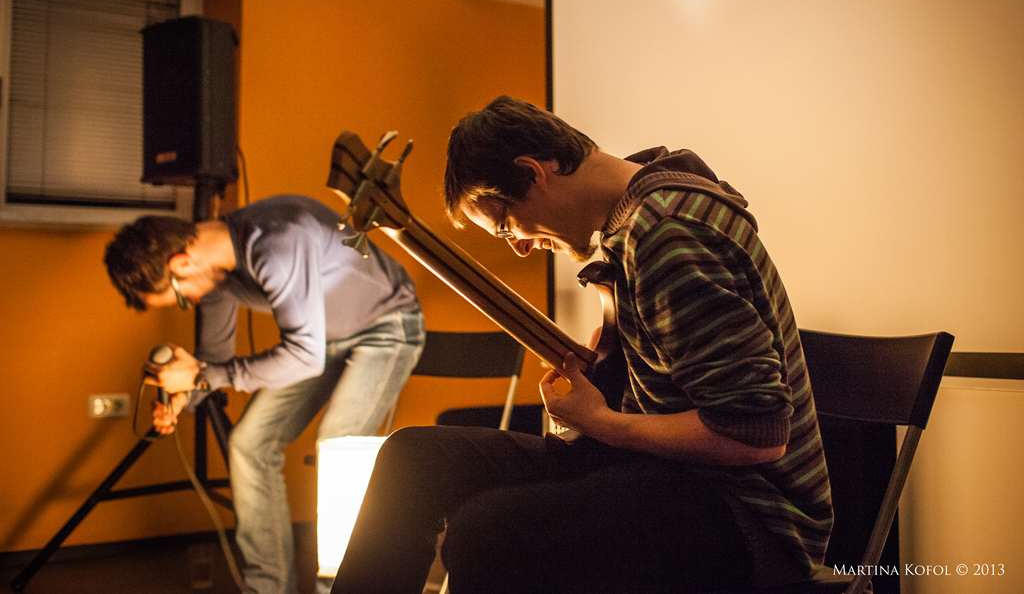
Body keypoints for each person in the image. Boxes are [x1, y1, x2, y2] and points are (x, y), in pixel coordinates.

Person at [330, 97, 833, 594]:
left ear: (532, 172)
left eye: (506, 227)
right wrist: (609, 375)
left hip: (749, 517)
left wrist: (602, 422)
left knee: (489, 533)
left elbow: (756, 433)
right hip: (664, 473)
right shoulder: (643, 200)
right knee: (414, 460)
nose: (520, 247)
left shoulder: (666, 235)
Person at [104, 194, 425, 594]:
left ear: (181, 264)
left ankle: (338, 589)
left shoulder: (276, 245)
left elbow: (298, 357)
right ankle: (268, 589)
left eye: (182, 299)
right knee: (248, 443)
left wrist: (202, 376)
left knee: (339, 446)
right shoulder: (217, 273)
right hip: (321, 341)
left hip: (386, 326)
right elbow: (214, 361)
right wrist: (183, 395)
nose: (192, 303)